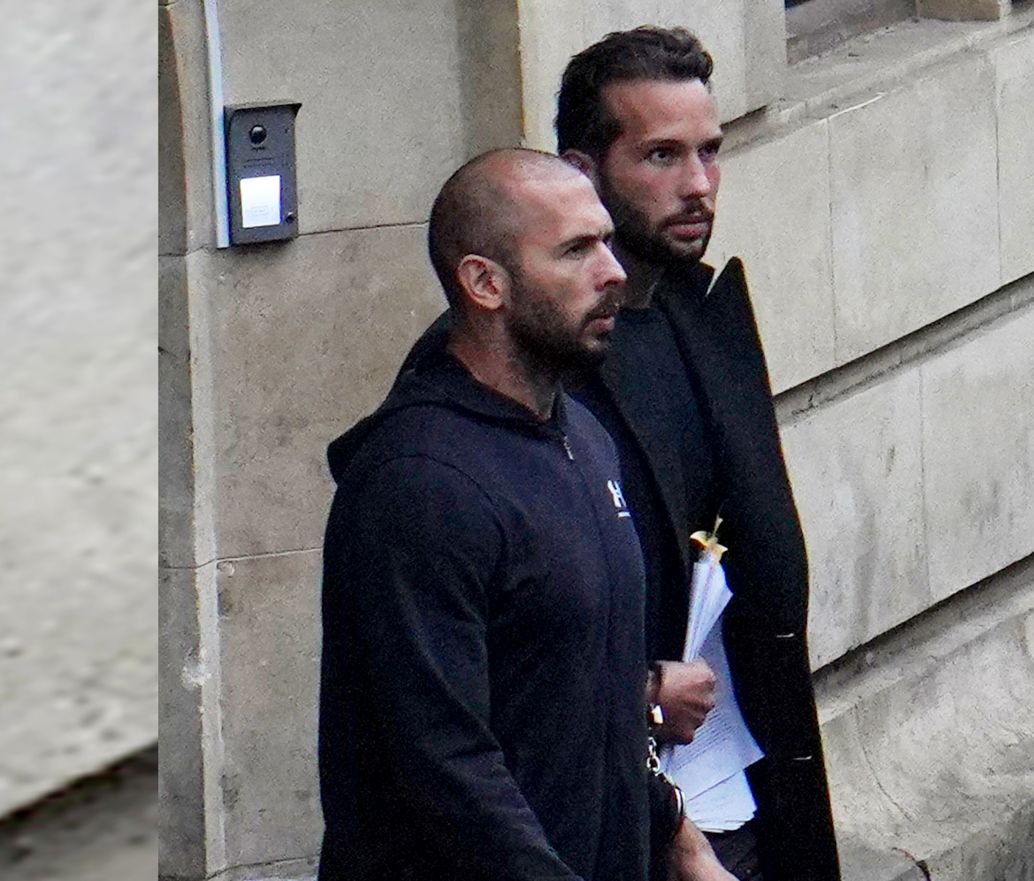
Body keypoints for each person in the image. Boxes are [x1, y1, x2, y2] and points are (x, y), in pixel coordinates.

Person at [397, 26, 841, 881]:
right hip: (594, 825)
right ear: (585, 169)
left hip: (730, 793)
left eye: (710, 152)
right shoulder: (499, 378)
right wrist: (639, 693)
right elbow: (457, 708)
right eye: (663, 157)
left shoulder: (699, 312)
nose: (699, 185)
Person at [318, 149, 734, 881]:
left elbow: (588, 696)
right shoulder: (420, 482)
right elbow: (446, 762)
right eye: (576, 249)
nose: (612, 271)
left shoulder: (584, 439)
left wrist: (677, 835)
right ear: (485, 282)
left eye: (607, 240)